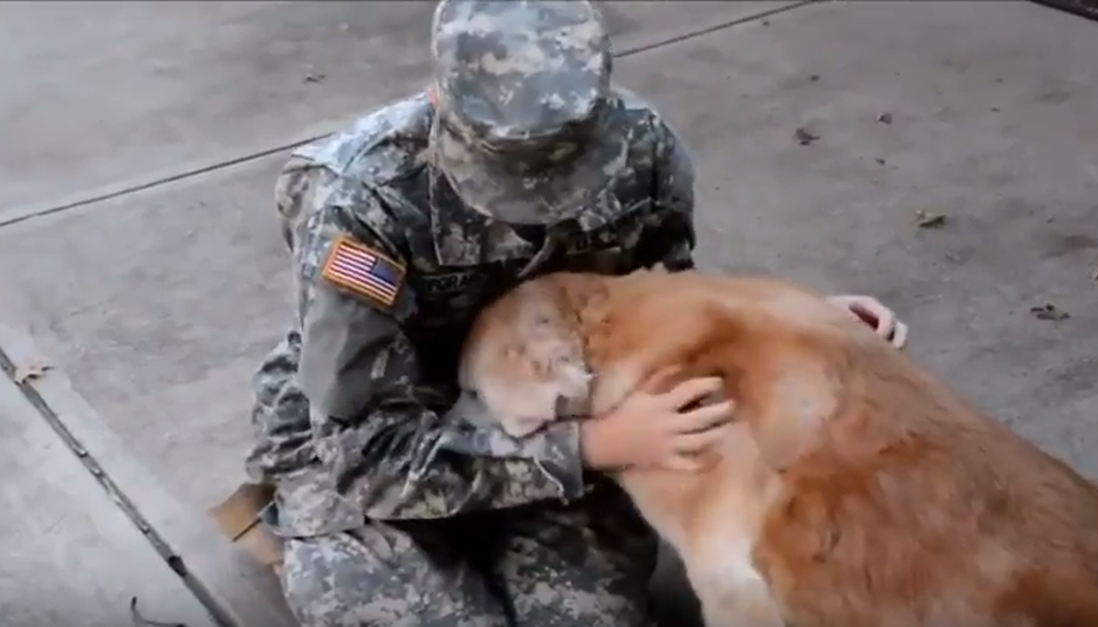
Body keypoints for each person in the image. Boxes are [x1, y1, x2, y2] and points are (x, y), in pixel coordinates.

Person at [245, 1, 909, 625]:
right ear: (438, 97)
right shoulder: (359, 200)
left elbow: (664, 310)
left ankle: (477, 537)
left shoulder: (642, 151)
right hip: (386, 449)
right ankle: (311, 536)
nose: (535, 204)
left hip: (564, 409)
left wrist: (795, 327)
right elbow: (366, 456)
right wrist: (592, 447)